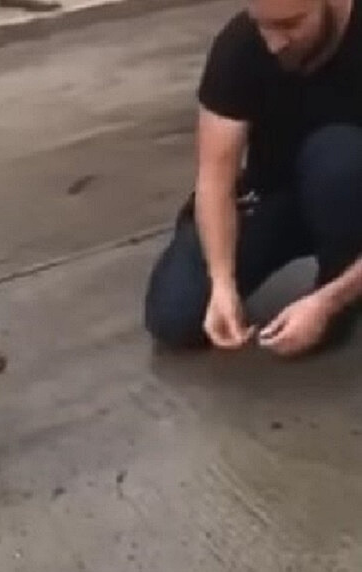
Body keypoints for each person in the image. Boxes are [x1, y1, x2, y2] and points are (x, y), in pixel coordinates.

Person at [144, 0, 362, 356]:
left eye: (290, 25)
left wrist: (328, 301)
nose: (275, 43)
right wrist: (222, 284)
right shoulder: (240, 47)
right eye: (264, 25)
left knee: (338, 158)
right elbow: (215, 178)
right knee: (174, 316)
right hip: (276, 193)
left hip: (348, 194)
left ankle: (340, 285)